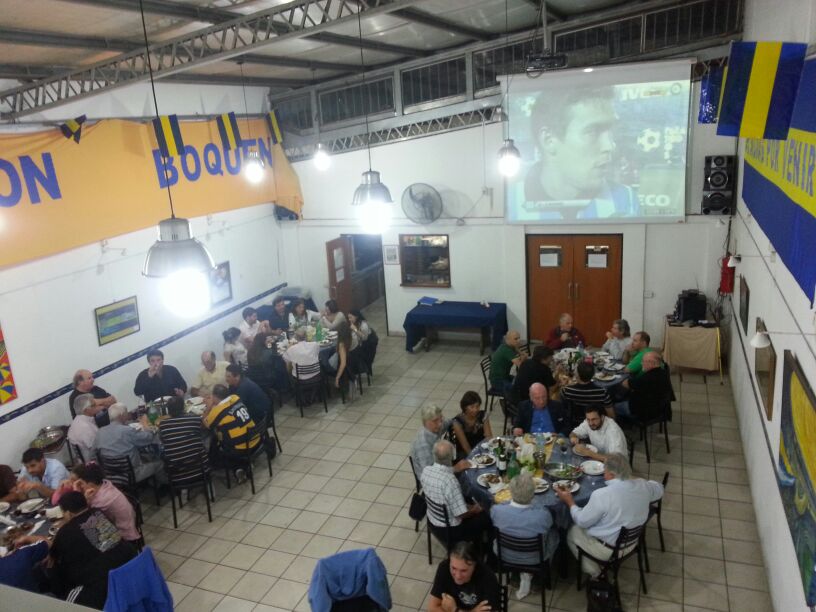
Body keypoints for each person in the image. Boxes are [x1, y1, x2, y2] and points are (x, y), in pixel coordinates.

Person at [523, 87, 639, 220]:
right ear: (548, 140)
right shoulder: (509, 204)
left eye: (611, 131)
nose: (609, 146)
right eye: (592, 132)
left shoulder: (625, 200)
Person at [15, 491, 136, 609]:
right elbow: (97, 542)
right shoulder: (97, 514)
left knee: (50, 572)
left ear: (67, 513)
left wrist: (39, 540)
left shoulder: (65, 532)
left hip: (101, 589)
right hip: (129, 568)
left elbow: (52, 557)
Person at [555, 453, 663, 577]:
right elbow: (660, 488)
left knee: (571, 531)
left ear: (611, 474)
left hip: (609, 549)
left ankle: (596, 574)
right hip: (631, 543)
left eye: (604, 470)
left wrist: (570, 502)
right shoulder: (644, 485)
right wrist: (636, 480)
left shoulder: (602, 495)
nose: (603, 473)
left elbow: (581, 521)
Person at [490, 472, 559, 601]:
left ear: (510, 491)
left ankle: (519, 573)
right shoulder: (543, 515)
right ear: (533, 494)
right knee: (555, 534)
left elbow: (501, 506)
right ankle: (535, 573)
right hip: (535, 558)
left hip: (504, 554)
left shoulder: (497, 511)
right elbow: (549, 526)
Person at [421, 441, 490, 546]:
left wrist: (470, 507)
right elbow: (461, 514)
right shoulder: (450, 481)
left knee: (467, 500)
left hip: (432, 521)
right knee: (487, 515)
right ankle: (482, 548)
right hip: (451, 530)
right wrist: (476, 509)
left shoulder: (426, 471)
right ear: (453, 456)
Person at [70, 463, 140, 544]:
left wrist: (77, 494)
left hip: (124, 537)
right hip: (126, 525)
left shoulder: (101, 501)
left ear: (90, 484)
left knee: (83, 535)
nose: (81, 487)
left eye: (81, 484)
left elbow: (85, 516)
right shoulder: (105, 484)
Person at [94, 403, 164, 484]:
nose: (127, 415)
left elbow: (93, 454)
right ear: (121, 415)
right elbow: (148, 438)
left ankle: (148, 483)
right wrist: (144, 423)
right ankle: (162, 486)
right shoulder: (126, 431)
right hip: (131, 474)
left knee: (143, 455)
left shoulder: (100, 432)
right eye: (126, 413)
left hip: (111, 475)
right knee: (160, 462)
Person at [202, 385, 261, 475]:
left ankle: (241, 466)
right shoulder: (235, 398)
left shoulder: (216, 412)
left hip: (242, 448)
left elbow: (205, 425)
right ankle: (240, 467)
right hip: (255, 439)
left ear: (214, 397)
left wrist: (208, 407)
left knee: (215, 447)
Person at [428, 541, 501, 612]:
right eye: (453, 568)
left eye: (463, 571)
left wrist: (454, 610)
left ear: (474, 566)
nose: (458, 576)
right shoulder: (444, 568)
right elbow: (432, 608)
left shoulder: (488, 577)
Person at [411, 405, 471, 479]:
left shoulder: (434, 427)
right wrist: (455, 468)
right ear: (426, 421)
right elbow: (430, 472)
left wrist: (457, 420)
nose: (440, 424)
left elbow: (449, 422)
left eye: (441, 419)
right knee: (465, 477)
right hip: (430, 478)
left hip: (439, 464)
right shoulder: (423, 444)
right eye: (435, 421)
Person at [159, 396, 209, 485]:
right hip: (201, 468)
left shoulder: (163, 425)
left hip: (177, 474)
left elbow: (162, 441)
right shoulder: (195, 418)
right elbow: (207, 427)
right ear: (184, 407)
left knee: (163, 449)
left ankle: (183, 488)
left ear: (168, 411)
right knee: (208, 435)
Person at [620, 351, 674, 421]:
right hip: (661, 408)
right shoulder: (663, 372)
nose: (641, 363)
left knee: (612, 406)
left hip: (645, 412)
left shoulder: (647, 378)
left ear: (652, 363)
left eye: (643, 361)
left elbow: (625, 383)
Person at [451, 391, 493, 460]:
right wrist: (477, 459)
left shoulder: (483, 416)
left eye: (477, 406)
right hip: (464, 452)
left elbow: (489, 436)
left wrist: (488, 451)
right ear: (465, 407)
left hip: (481, 447)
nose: (475, 409)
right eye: (472, 407)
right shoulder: (457, 422)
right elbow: (466, 446)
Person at [67, 393, 99, 462]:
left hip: (84, 458)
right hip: (93, 462)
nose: (96, 406)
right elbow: (97, 449)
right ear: (86, 410)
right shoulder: (85, 428)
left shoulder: (77, 420)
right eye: (93, 405)